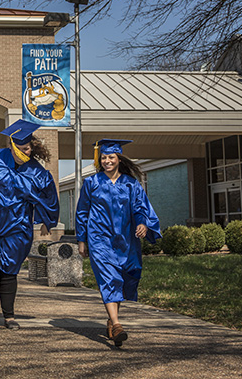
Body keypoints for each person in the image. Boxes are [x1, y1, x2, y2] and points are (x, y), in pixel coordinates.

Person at [0, 119, 60, 333]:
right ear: (11, 146)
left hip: (16, 223)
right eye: (21, 148)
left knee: (9, 269)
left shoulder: (37, 172)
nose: (25, 152)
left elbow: (50, 197)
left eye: (28, 148)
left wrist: (47, 220)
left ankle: (9, 316)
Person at [76, 139, 161, 347]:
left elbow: (141, 207)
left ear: (118, 159)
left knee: (122, 277)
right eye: (103, 157)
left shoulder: (131, 184)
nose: (107, 161)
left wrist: (143, 223)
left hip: (125, 238)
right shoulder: (92, 183)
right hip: (99, 238)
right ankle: (116, 324)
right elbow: (82, 212)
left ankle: (111, 322)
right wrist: (81, 239)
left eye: (111, 157)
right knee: (109, 277)